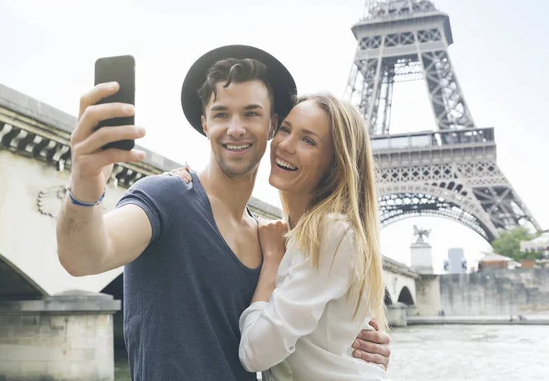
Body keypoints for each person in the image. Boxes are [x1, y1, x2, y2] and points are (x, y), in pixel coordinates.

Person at [56, 45, 390, 381]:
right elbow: (84, 258)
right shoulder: (167, 197)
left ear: (271, 124)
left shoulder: (270, 240)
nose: (235, 128)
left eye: (250, 114)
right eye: (220, 114)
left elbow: (305, 331)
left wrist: (359, 347)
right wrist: (84, 180)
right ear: (204, 123)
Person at [174, 92, 389, 380]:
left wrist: (273, 261)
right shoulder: (291, 234)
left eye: (308, 140)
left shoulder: (331, 233)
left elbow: (255, 353)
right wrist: (183, 187)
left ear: (335, 164)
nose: (285, 145)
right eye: (285, 130)